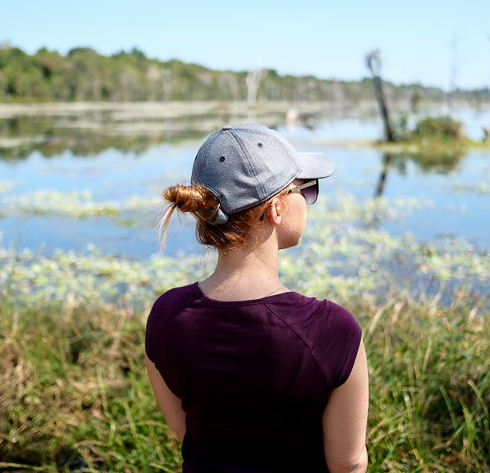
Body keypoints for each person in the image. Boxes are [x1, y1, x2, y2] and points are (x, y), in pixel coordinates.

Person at [145, 123, 368, 472]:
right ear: (276, 209)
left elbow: (184, 429)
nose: (308, 200)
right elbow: (348, 463)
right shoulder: (332, 331)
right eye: (305, 190)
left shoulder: (165, 317)